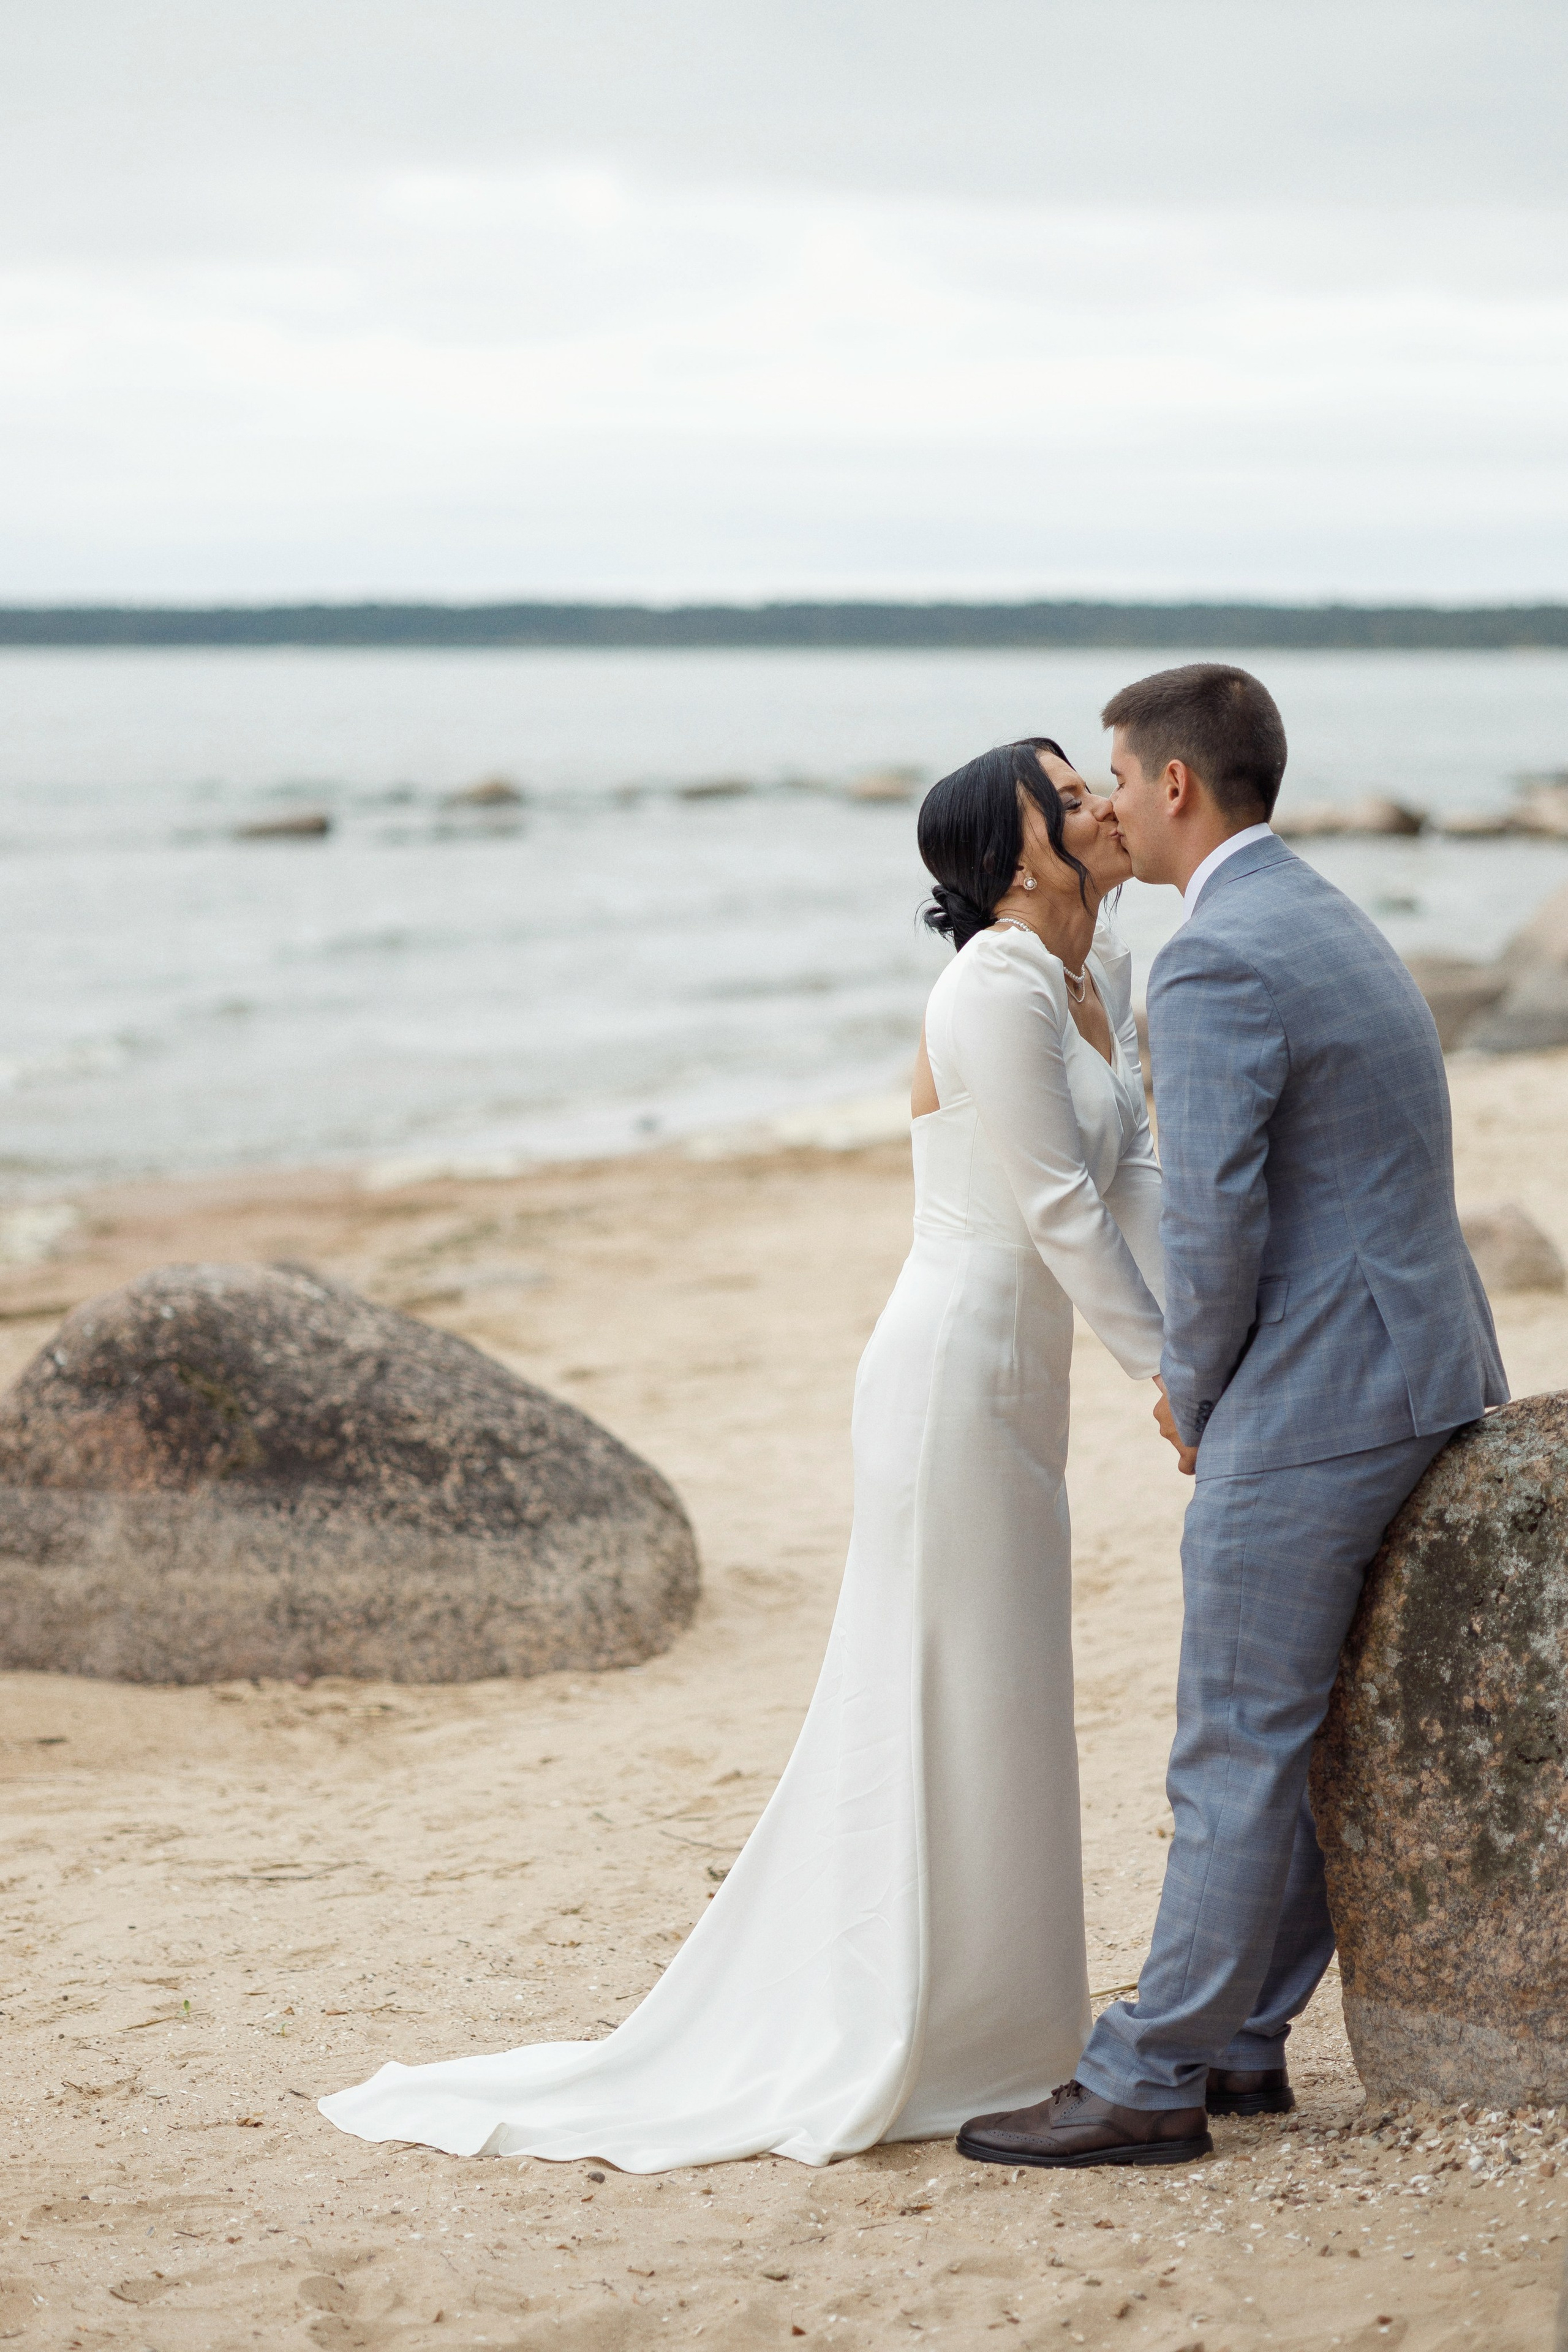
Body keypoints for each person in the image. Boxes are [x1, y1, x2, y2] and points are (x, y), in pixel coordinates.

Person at [318, 737, 1166, 2172]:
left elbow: (1130, 1174)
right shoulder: (991, 987)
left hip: (1022, 1382)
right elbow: (1051, 1212)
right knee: (939, 1681)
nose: (1097, 801)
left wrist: (1205, 1336)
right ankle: (928, 2031)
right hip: (950, 1371)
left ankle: (1008, 2026)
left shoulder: (1102, 981)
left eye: (1096, 782)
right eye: (1066, 791)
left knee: (1006, 1685)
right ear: (1013, 854)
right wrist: (1170, 1379)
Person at [957, 665, 1507, 2173]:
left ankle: (1147, 2079)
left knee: (1232, 1741)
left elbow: (1214, 1220)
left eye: (1114, 781)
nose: (1104, 807)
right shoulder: (1316, 910)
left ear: (1174, 787)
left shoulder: (1208, 962)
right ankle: (1241, 2040)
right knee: (1297, 1730)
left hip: (1322, 1390)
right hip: (1427, 1362)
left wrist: (1190, 1392)